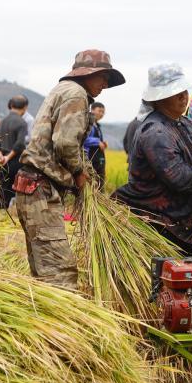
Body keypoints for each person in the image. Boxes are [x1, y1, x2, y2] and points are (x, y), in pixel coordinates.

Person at [14, 49, 125, 290]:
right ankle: (59, 326)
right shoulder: (76, 94)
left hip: (32, 186)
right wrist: (79, 173)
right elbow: (65, 142)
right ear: (87, 74)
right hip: (41, 189)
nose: (105, 84)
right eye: (102, 76)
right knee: (59, 275)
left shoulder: (62, 90)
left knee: (44, 271)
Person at [113, 63, 192, 255]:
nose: (183, 96)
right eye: (175, 93)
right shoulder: (155, 132)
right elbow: (180, 178)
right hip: (158, 223)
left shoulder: (188, 125)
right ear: (159, 98)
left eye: (183, 90)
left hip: (185, 221)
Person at [0, 96, 29, 208]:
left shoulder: (2, 121)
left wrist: (1, 157)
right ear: (25, 108)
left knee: (3, 189)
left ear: (11, 105)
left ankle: (0, 211)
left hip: (2, 161)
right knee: (14, 189)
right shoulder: (22, 122)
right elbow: (20, 144)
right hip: (15, 161)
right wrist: (8, 157)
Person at [83, 101, 108, 186]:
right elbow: (83, 139)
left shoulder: (97, 125)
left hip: (98, 160)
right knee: (91, 184)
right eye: (99, 111)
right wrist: (97, 142)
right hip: (89, 159)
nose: (101, 114)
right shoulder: (87, 123)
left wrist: (102, 143)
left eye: (103, 112)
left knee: (99, 183)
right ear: (92, 110)